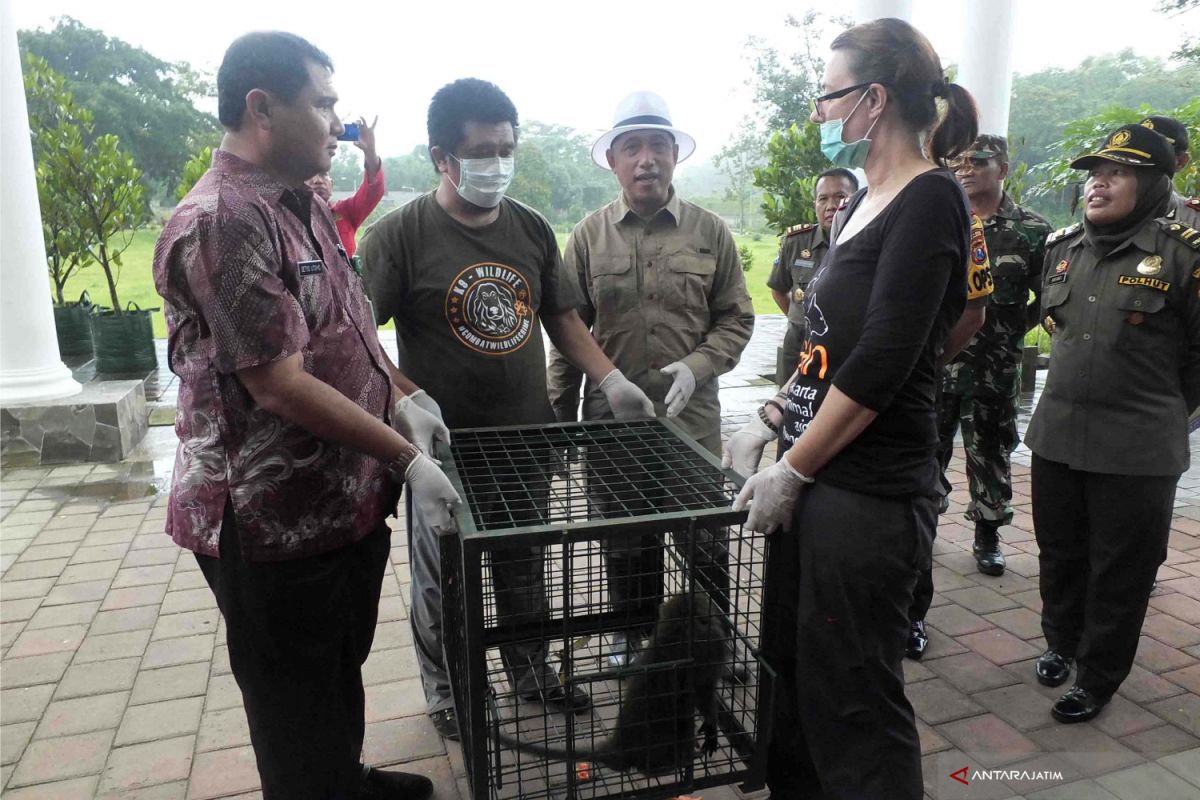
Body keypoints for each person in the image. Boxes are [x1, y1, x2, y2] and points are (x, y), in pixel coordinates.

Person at [154, 32, 457, 800]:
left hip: (335, 503)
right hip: (265, 518)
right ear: (263, 107)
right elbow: (280, 383)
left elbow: (347, 325)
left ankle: (341, 779)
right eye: (322, 102)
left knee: (334, 660)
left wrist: (404, 393)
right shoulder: (226, 220)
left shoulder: (303, 200)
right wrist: (404, 455)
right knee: (292, 692)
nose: (336, 119)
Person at [725, 17, 979, 797]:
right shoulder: (861, 201)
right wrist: (774, 416)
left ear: (872, 99)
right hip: (818, 478)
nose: (821, 116)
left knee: (856, 694)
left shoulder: (930, 200)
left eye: (827, 98)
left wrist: (793, 470)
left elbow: (885, 361)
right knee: (797, 672)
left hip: (866, 492)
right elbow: (827, 342)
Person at [359, 78, 654, 741]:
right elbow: (355, 341)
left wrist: (608, 379)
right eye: (481, 151)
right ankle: (451, 691)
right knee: (446, 582)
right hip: (443, 452)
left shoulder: (527, 227)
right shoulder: (399, 236)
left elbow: (561, 314)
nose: (496, 163)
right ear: (442, 157)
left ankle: (531, 672)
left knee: (525, 566)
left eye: (505, 149)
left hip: (524, 439)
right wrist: (408, 401)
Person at [546, 91, 754, 666]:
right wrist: (561, 417)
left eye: (657, 146)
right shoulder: (588, 237)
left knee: (704, 539)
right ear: (613, 160)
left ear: (674, 156)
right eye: (632, 148)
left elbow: (738, 317)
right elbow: (569, 330)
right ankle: (631, 634)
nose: (646, 160)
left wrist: (699, 363)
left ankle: (715, 642)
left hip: (692, 421)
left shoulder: (711, 232)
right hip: (614, 426)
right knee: (624, 538)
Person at [1028, 123, 1200, 724]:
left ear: (1153, 182)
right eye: (1093, 173)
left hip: (1137, 450)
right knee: (1060, 554)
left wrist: (1164, 415)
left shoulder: (1185, 255)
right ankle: (1060, 643)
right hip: (1056, 438)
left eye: (1117, 172)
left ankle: (1097, 677)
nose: (1097, 183)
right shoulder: (1061, 249)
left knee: (1120, 572)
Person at [943, 135, 1053, 575]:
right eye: (959, 161)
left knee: (989, 449)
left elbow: (1048, 297)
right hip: (937, 363)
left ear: (1003, 169)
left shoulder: (1032, 230)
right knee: (926, 446)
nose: (966, 169)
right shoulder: (942, 221)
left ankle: (987, 532)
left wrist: (1008, 331)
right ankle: (921, 522)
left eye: (979, 161)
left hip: (995, 364)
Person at [767, 168, 858, 386]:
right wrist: (800, 318)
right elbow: (778, 289)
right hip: (799, 344)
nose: (831, 206)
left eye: (840, 197)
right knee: (788, 410)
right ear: (815, 204)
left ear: (857, 200)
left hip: (848, 348)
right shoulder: (796, 242)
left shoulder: (868, 242)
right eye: (823, 199)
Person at [307, 115, 385, 256]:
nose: (318, 181)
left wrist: (370, 151)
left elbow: (373, 190)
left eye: (324, 174)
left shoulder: (345, 212)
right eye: (310, 175)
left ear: (332, 184)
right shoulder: (288, 217)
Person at [1139, 115, 1199, 226]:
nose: (1142, 160)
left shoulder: (1194, 217)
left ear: (1181, 161)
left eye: (1155, 153)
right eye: (1134, 152)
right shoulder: (1105, 210)